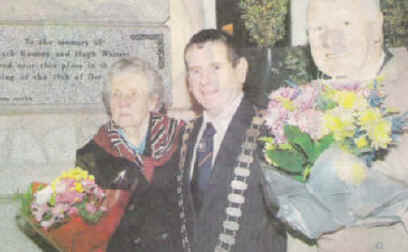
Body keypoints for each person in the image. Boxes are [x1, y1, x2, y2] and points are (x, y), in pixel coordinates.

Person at [305, 0, 408, 251]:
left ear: (376, 27)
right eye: (318, 29)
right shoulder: (303, 103)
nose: (330, 40)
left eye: (346, 23)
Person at [175, 29, 287, 252]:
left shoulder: (271, 132)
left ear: (241, 70)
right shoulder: (186, 134)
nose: (205, 80)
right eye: (195, 71)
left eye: (215, 67)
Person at [75, 57, 184, 251]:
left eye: (133, 94)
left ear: (152, 101)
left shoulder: (183, 141)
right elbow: (85, 224)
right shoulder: (92, 154)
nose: (123, 102)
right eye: (116, 94)